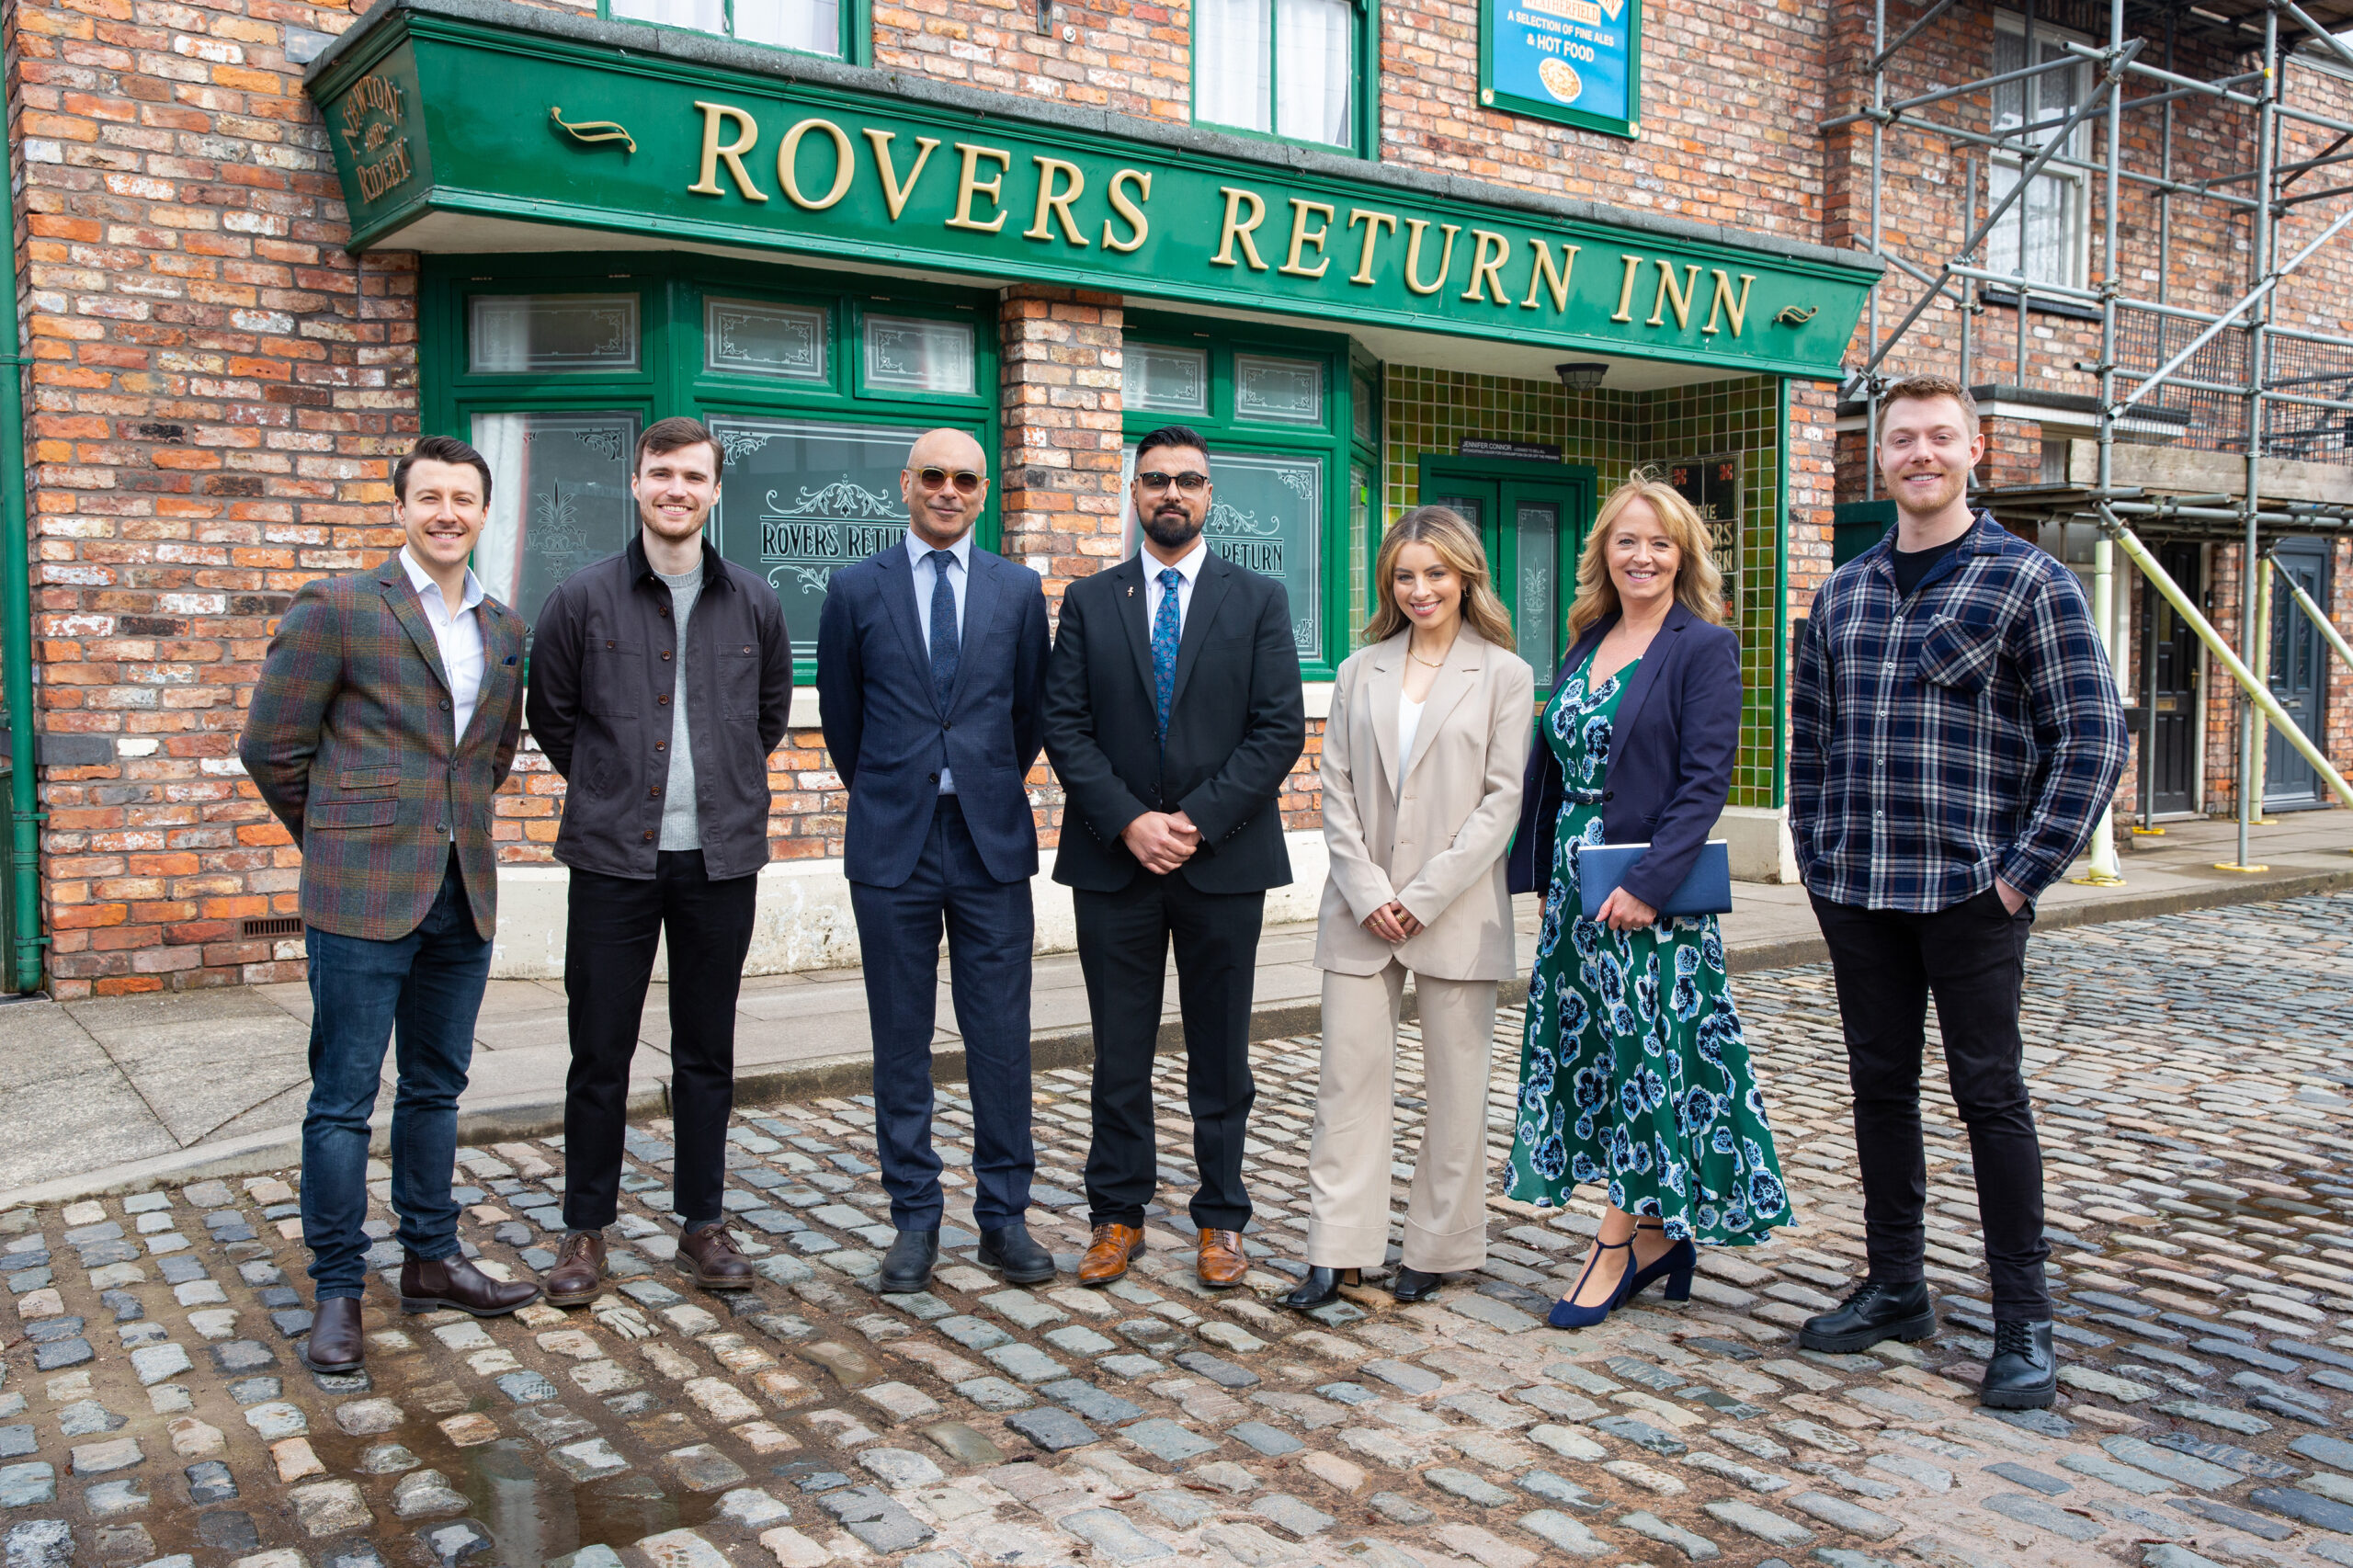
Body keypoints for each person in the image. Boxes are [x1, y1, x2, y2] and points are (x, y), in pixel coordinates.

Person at [1790, 375, 2126, 1409]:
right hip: (1861, 891)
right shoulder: (1843, 591)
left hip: (1971, 894)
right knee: (1880, 1091)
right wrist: (1816, 860)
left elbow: (2093, 736)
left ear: (1974, 449)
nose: (1919, 453)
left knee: (1989, 1097)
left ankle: (2023, 1322)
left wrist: (2020, 877)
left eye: (1940, 437)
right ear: (1877, 456)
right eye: (1901, 439)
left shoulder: (2028, 582)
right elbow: (1810, 744)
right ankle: (1897, 1286)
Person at [241, 435, 540, 1372]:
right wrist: (337, 838)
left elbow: (488, 758)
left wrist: (448, 831)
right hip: (360, 889)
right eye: (430, 497)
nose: (448, 512)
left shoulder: (503, 626)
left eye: (464, 497)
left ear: (484, 512)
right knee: (340, 1101)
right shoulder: (337, 606)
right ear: (400, 508)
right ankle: (336, 1287)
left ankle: (431, 1257)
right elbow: (271, 747)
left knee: (436, 1087)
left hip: (463, 889)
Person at [1502, 475, 1790, 1329]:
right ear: (1604, 553)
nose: (1643, 556)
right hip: (1575, 891)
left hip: (1645, 897)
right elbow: (1559, 760)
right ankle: (1663, 1232)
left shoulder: (1702, 646)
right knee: (1596, 1052)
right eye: (1627, 541)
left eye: (1661, 542)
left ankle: (1618, 1243)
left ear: (1684, 556)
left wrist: (1646, 887)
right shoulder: (1588, 639)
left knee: (1644, 1061)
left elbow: (1705, 783)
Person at [526, 416, 794, 1306]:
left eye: (692, 476)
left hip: (720, 861)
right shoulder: (581, 599)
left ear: (715, 492)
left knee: (705, 1049)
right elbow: (553, 717)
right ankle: (584, 1227)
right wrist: (612, 790)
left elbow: (766, 717)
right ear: (635, 483)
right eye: (660, 473)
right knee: (597, 1050)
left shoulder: (753, 600)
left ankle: (701, 1221)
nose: (675, 489)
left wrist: (712, 794)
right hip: (613, 860)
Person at [1042, 425, 1307, 1289]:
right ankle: (1116, 1215)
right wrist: (1128, 821)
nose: (1171, 494)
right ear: (1134, 493)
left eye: (1188, 481)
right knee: (1119, 1051)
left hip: (1223, 862)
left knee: (1221, 1053)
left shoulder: (1258, 599)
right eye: (1155, 480)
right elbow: (1064, 727)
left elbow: (1278, 732)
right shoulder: (1091, 600)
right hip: (1114, 863)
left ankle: (1221, 1218)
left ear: (1208, 496)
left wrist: (1191, 820)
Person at [816, 428, 1055, 1294]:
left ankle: (1004, 1219)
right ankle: (914, 1220)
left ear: (984, 492)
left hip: (989, 840)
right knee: (900, 1040)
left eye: (964, 478)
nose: (947, 490)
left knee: (1000, 1039)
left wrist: (980, 783)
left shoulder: (1019, 589)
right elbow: (845, 719)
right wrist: (898, 787)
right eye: (932, 477)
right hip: (893, 841)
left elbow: (1029, 713)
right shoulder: (854, 589)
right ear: (905, 485)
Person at [1282, 507, 1532, 1312]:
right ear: (1389, 583)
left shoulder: (1503, 673)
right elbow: (1339, 791)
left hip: (1456, 911)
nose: (1420, 589)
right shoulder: (1360, 671)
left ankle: (1440, 1246)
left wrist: (1420, 898)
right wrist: (1369, 892)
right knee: (1345, 1084)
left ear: (1465, 577)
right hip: (1358, 912)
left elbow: (1501, 805)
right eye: (1405, 575)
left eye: (1436, 573)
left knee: (1458, 1087)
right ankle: (1337, 1252)